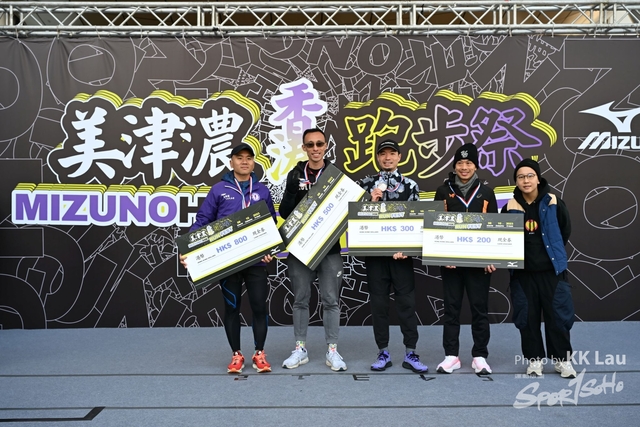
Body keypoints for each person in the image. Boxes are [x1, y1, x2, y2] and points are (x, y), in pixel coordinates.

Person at [180, 143, 275, 374]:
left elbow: (271, 222)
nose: (244, 162)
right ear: (231, 161)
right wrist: (188, 249)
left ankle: (259, 353)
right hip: (227, 261)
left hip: (256, 261)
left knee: (259, 307)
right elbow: (203, 220)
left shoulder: (262, 190)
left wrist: (271, 249)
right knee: (232, 308)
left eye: (249, 158)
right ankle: (236, 355)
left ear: (254, 162)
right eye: (239, 157)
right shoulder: (219, 189)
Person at [357, 139, 428, 373]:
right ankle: (383, 352)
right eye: (383, 154)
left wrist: (408, 249)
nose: (387, 158)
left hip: (402, 257)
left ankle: (411, 352)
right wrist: (371, 202)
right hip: (375, 257)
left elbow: (418, 221)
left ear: (399, 157)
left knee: (407, 304)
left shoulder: (410, 185)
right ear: (377, 157)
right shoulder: (365, 185)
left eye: (392, 153)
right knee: (379, 305)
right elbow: (355, 221)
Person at [279, 128, 347, 372]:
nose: (315, 148)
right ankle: (300, 349)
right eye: (310, 144)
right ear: (304, 148)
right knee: (300, 300)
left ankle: (332, 351)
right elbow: (284, 212)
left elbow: (347, 210)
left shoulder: (336, 174)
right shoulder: (295, 174)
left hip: (329, 248)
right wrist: (292, 190)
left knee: (331, 301)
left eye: (319, 144)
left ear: (326, 146)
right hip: (301, 248)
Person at [502, 158, 576, 378]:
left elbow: (565, 230)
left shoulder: (554, 201)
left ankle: (562, 360)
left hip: (552, 272)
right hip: (523, 274)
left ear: (538, 178)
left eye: (530, 176)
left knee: (558, 317)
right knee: (527, 319)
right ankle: (534, 360)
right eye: (521, 177)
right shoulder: (509, 207)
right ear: (516, 181)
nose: (526, 181)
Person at [434, 143, 497, 375]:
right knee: (451, 309)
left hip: (479, 263)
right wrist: (443, 255)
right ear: (454, 166)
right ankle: (451, 355)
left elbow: (495, 227)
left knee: (479, 309)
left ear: (475, 166)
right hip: (451, 263)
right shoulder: (443, 191)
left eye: (468, 163)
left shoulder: (486, 192)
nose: (464, 167)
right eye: (460, 163)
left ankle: (480, 355)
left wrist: (492, 257)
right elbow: (436, 225)